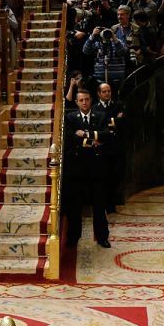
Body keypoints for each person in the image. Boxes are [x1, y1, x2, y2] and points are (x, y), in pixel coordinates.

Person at [63, 89, 112, 248]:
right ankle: (73, 237)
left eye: (87, 99)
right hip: (76, 168)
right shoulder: (70, 118)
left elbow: (107, 135)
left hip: (97, 167)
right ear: (76, 102)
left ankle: (102, 237)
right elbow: (70, 140)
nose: (84, 103)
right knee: (74, 205)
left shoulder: (101, 116)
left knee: (99, 204)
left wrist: (85, 134)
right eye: (81, 100)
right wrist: (93, 140)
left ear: (91, 100)